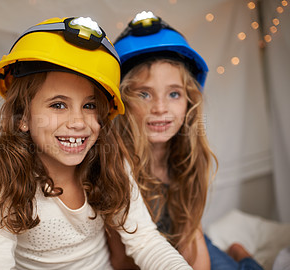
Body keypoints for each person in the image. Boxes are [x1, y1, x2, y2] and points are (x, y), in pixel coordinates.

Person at [0, 16, 191, 270]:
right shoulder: (3, 181)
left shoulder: (111, 163)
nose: (78, 122)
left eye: (89, 106)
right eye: (58, 105)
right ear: (23, 117)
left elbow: (145, 241)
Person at [108, 11, 264, 270]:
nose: (160, 107)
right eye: (144, 94)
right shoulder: (114, 168)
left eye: (174, 94)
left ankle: (240, 253)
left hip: (184, 247)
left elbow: (192, 236)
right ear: (121, 101)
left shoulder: (187, 155)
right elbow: (121, 260)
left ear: (189, 100)